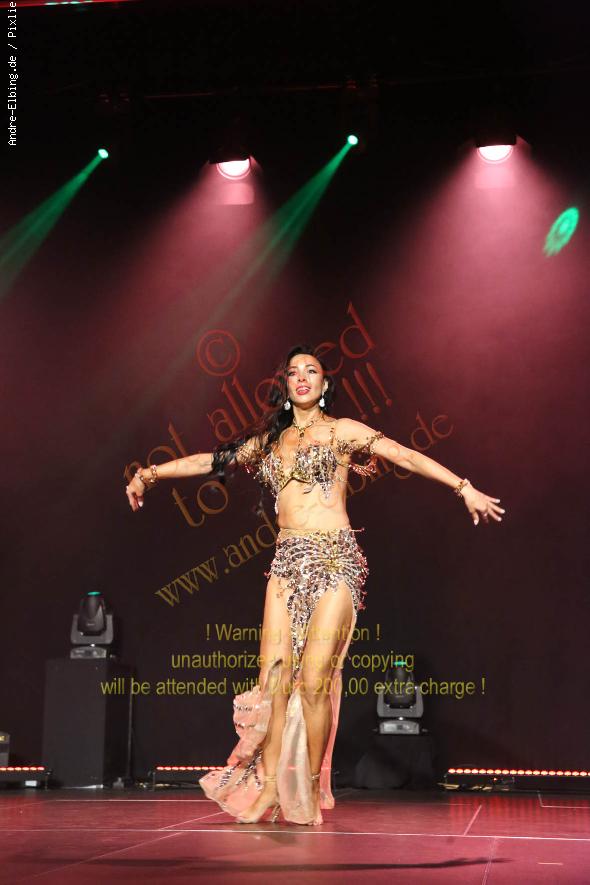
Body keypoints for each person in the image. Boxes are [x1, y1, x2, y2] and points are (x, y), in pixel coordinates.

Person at [125, 343, 504, 825]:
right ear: (285, 387)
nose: (302, 377)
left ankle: (304, 786)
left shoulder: (341, 431)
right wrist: (149, 474)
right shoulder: (269, 441)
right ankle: (268, 790)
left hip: (335, 559)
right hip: (287, 563)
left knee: (313, 681)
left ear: (324, 385)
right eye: (293, 372)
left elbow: (402, 454)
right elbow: (210, 460)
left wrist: (462, 487)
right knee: (273, 682)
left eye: (312, 370)